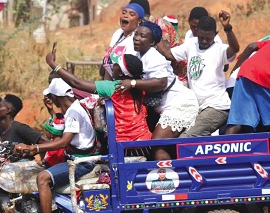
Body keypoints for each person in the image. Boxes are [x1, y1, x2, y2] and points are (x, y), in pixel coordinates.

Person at [14, 78, 97, 213]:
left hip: (82, 163)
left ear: (57, 97)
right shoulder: (74, 109)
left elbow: (64, 141)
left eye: (51, 97)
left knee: (42, 178)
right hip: (75, 160)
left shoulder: (74, 112)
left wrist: (35, 148)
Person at [117, 21, 198, 160]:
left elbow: (161, 82)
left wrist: (133, 83)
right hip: (163, 107)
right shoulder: (138, 55)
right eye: (136, 34)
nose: (136, 38)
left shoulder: (154, 57)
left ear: (152, 41)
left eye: (142, 36)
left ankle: (169, 179)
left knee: (157, 144)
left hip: (180, 105)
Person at [45, 49, 152, 150]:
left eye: (115, 65)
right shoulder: (140, 86)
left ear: (120, 73)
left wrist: (52, 64)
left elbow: (76, 83)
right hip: (145, 142)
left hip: (123, 146)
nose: (112, 66)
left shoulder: (113, 87)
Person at [159, 13, 239, 136]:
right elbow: (168, 54)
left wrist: (228, 29)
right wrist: (153, 32)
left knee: (186, 139)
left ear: (215, 34)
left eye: (208, 38)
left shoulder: (219, 50)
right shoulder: (191, 45)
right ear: (197, 32)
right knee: (173, 136)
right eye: (201, 37)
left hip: (216, 107)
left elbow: (234, 49)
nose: (204, 41)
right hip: (196, 107)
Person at [103, 2, 144, 80]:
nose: (126, 15)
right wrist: (105, 84)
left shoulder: (136, 39)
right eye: (124, 13)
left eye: (131, 14)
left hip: (124, 83)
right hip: (110, 80)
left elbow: (129, 70)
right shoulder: (118, 33)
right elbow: (109, 62)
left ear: (139, 21)